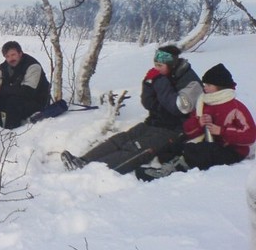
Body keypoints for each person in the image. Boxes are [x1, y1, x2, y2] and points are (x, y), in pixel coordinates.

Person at [61, 45, 203, 175]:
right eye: (155, 65)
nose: (156, 69)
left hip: (174, 130)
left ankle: (92, 173)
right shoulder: (165, 76)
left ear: (171, 64)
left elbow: (179, 107)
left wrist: (159, 82)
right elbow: (149, 104)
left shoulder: (190, 82)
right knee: (119, 140)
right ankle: (83, 161)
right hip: (153, 123)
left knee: (135, 148)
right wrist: (148, 85)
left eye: (160, 65)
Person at [136, 63, 256, 181]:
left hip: (231, 150)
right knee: (175, 145)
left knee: (200, 150)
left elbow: (250, 136)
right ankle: (166, 162)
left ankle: (171, 170)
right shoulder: (203, 103)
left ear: (220, 86)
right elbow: (188, 130)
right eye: (205, 84)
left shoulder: (235, 107)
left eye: (209, 85)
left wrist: (222, 131)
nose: (205, 88)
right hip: (206, 142)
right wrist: (199, 123)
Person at [0, 41, 50, 129]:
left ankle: (10, 130)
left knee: (12, 101)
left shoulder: (32, 66)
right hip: (15, 96)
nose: (10, 59)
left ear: (20, 53)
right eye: (7, 56)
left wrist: (2, 90)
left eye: (13, 55)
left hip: (36, 101)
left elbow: (28, 91)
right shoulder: (5, 66)